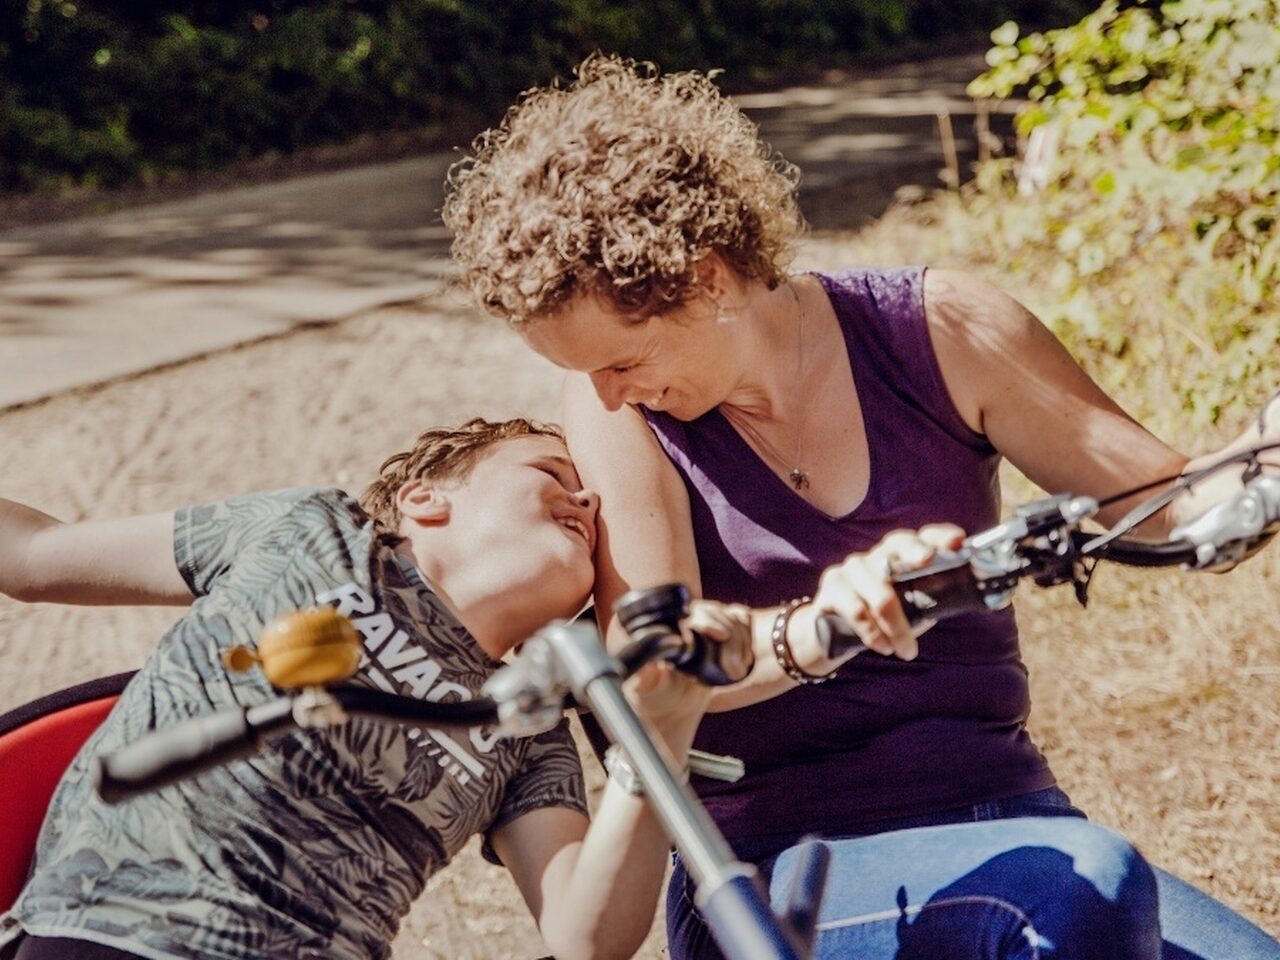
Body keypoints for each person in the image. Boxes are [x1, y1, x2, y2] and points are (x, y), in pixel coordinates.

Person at [441, 54, 1280, 959]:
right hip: (771, 869)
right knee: (1088, 887)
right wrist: (816, 627)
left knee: (1097, 896)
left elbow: (1169, 507)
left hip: (1018, 820)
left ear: (708, 280)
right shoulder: (622, 418)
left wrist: (1266, 451)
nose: (607, 392)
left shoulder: (945, 330)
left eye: (622, 359)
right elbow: (660, 665)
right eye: (588, 373)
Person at [0, 416, 754, 960]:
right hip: (115, 929)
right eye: (552, 475)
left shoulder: (530, 719)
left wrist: (662, 730)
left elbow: (586, 933)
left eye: (593, 500)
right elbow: (33, 557)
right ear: (427, 500)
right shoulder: (312, 534)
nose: (587, 503)